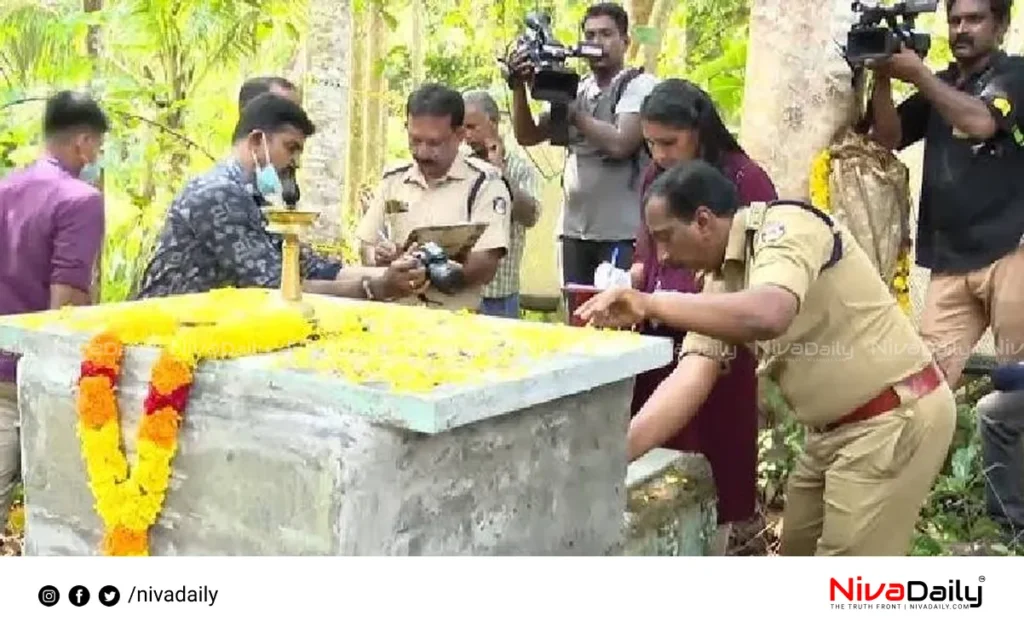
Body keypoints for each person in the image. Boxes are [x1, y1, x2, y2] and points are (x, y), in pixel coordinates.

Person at [576, 161, 957, 556]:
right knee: (796, 555)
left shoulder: (786, 227)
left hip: (893, 417)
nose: (664, 257)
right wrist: (614, 459)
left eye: (666, 238)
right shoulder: (721, 280)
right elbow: (690, 376)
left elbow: (770, 313)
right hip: (829, 434)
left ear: (703, 221)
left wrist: (650, 303)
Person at [869, 0, 1024, 540]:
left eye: (974, 19)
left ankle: (1010, 524)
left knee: (1017, 391)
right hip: (951, 260)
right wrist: (885, 80)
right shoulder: (938, 83)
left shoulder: (1015, 74)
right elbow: (884, 139)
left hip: (1013, 252)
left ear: (1000, 25)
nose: (961, 29)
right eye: (955, 20)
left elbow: (982, 122)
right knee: (922, 391)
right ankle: (901, 507)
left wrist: (917, 76)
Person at [628, 79, 778, 554]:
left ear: (699, 130)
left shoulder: (745, 180)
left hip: (721, 338)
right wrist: (634, 282)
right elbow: (647, 254)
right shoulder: (656, 179)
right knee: (659, 445)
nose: (660, 154)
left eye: (669, 142)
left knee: (716, 452)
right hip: (659, 339)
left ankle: (710, 548)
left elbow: (759, 277)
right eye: (650, 144)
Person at [135, 93, 426, 301]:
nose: (296, 161)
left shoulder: (259, 196)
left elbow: (309, 266)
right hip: (167, 335)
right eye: (291, 148)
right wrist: (375, 288)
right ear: (256, 141)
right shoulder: (217, 193)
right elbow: (274, 286)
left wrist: (394, 272)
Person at [0, 90, 108, 529]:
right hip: (27, 378)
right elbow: (66, 303)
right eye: (99, 147)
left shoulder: (6, 188)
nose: (98, 157)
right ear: (83, 142)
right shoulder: (79, 200)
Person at [508, 2, 658, 287]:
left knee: (618, 319)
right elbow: (528, 135)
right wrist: (519, 87)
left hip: (623, 234)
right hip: (574, 232)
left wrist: (571, 112)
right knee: (577, 315)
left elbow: (620, 143)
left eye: (605, 34)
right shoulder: (578, 88)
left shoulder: (639, 85)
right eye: (589, 35)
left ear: (625, 42)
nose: (596, 42)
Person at [356, 83, 512, 312]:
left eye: (434, 143)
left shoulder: (485, 185)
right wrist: (379, 257)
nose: (422, 152)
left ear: (459, 135)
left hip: (454, 321)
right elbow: (366, 245)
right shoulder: (394, 180)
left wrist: (425, 268)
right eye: (415, 140)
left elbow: (485, 266)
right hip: (395, 316)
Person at [462, 89, 542, 318]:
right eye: (462, 128)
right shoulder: (459, 166)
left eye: (472, 127)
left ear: (494, 123)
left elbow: (531, 216)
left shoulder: (520, 169)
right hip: (461, 290)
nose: (466, 136)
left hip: (500, 296)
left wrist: (501, 175)